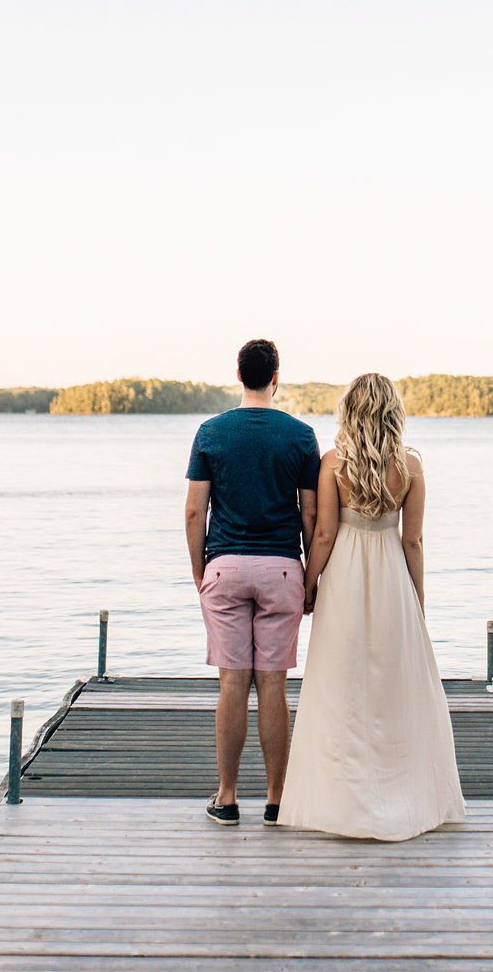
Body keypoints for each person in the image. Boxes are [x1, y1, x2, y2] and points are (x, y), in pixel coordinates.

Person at [278, 372, 465, 841]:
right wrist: (417, 598)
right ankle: (401, 793)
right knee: (393, 687)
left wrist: (308, 583)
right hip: (391, 577)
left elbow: (323, 533)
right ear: (392, 412)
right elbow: (414, 541)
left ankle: (343, 801)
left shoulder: (333, 462)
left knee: (339, 685)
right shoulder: (411, 466)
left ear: (351, 411)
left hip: (343, 573)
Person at [185, 338, 321, 825]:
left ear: (239, 375)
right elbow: (311, 512)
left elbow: (195, 509)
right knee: (273, 686)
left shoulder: (211, 431)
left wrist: (201, 570)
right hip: (282, 567)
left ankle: (226, 797)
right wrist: (311, 575)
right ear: (276, 377)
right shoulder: (302, 436)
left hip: (225, 565)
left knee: (231, 684)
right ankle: (276, 797)